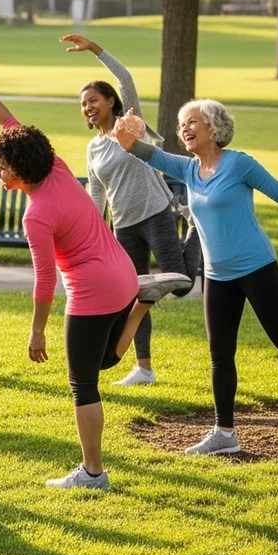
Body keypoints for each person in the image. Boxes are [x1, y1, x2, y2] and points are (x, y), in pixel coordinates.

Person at [0, 46, 190, 490]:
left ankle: (92, 473)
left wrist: (37, 330)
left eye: (1, 165)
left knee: (83, 384)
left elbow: (46, 281)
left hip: (92, 293)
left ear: (20, 168)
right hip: (123, 278)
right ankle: (143, 302)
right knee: (104, 359)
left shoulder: (36, 214)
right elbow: (8, 120)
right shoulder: (60, 169)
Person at [112, 101, 278, 455]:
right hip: (217, 275)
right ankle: (224, 433)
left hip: (255, 265)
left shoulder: (239, 164)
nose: (185, 129)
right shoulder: (186, 169)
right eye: (181, 124)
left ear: (214, 128)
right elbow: (140, 152)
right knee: (220, 355)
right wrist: (125, 130)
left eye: (193, 122)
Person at [62, 33, 202, 387]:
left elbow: (126, 78)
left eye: (93, 100)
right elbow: (96, 194)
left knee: (182, 285)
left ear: (111, 101)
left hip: (154, 212)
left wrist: (95, 49)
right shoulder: (93, 148)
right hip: (123, 227)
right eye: (83, 104)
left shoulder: (131, 126)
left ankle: (196, 227)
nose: (88, 107)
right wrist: (90, 233)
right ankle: (144, 368)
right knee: (135, 295)